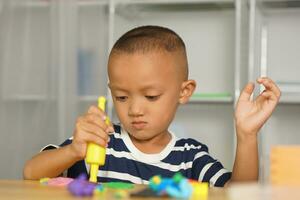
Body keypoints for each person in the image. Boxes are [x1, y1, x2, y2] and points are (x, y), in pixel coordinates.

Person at [23, 25, 281, 186]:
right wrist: (73, 151)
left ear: (184, 92)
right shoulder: (100, 143)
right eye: (122, 97)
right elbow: (30, 173)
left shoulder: (189, 157)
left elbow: (238, 194)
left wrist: (247, 136)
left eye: (151, 96)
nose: (135, 109)